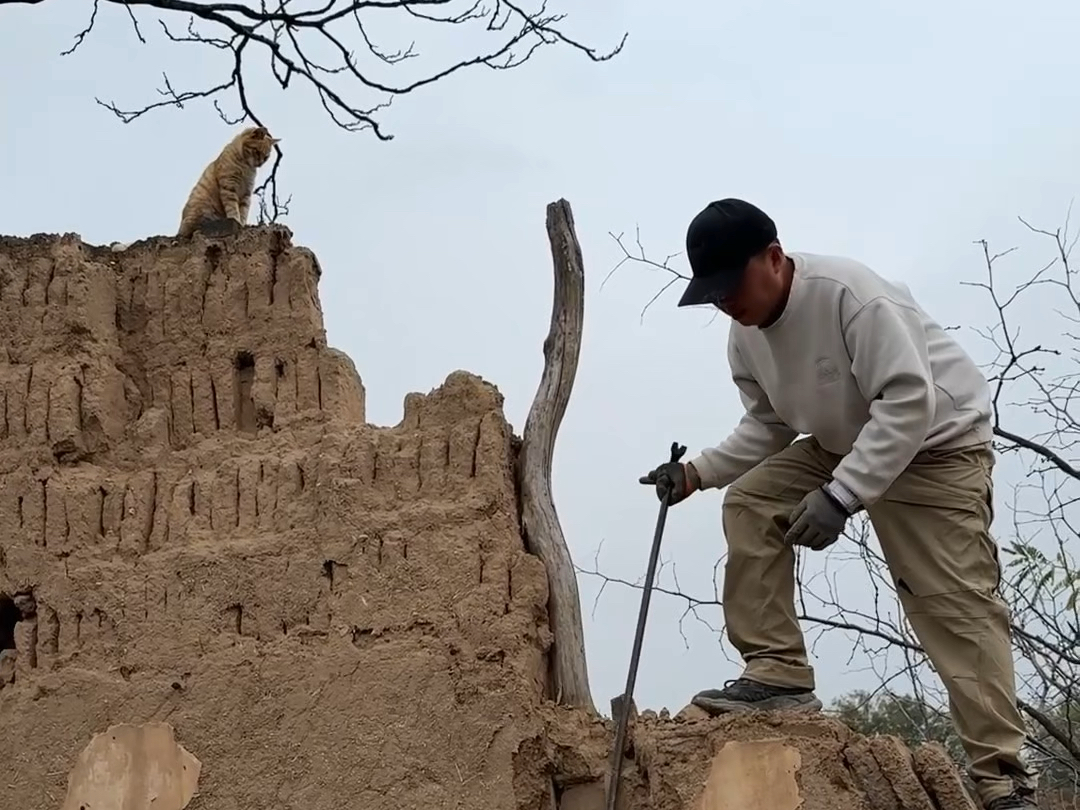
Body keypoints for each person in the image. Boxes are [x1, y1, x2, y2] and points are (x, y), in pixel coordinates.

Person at [639, 198, 1039, 810]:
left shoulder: (852, 295)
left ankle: (1005, 781)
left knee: (953, 608)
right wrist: (696, 472)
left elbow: (909, 403)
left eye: (731, 284)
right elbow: (769, 424)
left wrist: (841, 496)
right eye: (711, 291)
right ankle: (777, 674)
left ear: (774, 258)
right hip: (846, 440)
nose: (724, 302)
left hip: (936, 447)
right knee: (750, 503)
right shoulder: (744, 334)